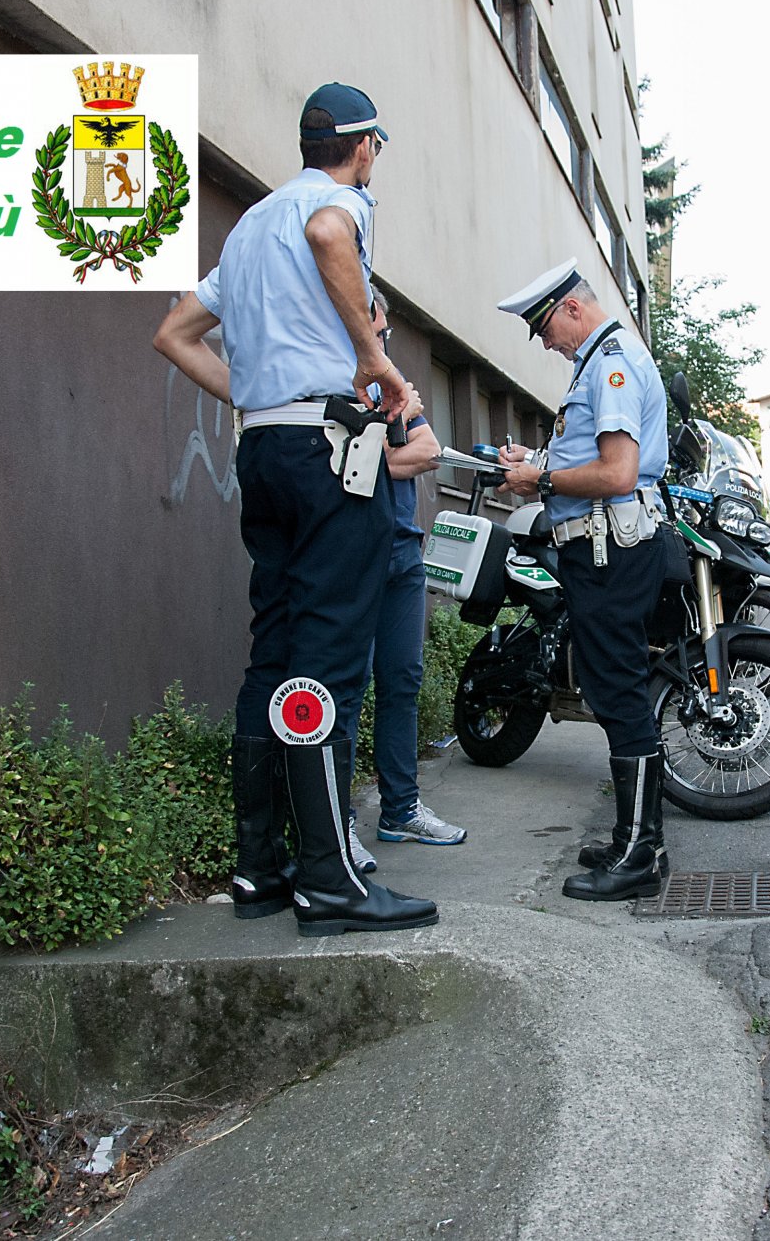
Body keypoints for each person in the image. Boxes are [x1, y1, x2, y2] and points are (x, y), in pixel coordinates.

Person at [152, 81, 437, 938]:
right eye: (375, 149)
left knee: (272, 649)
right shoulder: (336, 205)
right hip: (327, 449)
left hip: (266, 448)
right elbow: (326, 235)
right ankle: (329, 881)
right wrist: (370, 353)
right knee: (330, 654)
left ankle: (259, 868)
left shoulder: (245, 228)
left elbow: (173, 332)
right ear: (364, 147)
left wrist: (255, 397)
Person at [494, 261, 671, 902]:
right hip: (602, 545)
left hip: (609, 547)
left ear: (572, 308)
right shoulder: (600, 362)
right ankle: (635, 837)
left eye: (544, 327)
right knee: (611, 685)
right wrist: (541, 464)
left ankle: (639, 855)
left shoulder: (612, 360)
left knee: (618, 691)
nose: (544, 342)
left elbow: (619, 472)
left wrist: (538, 480)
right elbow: (596, 463)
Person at [336, 289, 467, 875]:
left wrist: (371, 452)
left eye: (385, 333)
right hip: (349, 555)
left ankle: (401, 810)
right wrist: (388, 448)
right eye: (377, 332)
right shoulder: (330, 384)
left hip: (402, 551)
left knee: (402, 680)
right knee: (344, 688)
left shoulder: (390, 386)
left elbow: (431, 450)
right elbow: (336, 464)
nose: (384, 342)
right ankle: (333, 820)